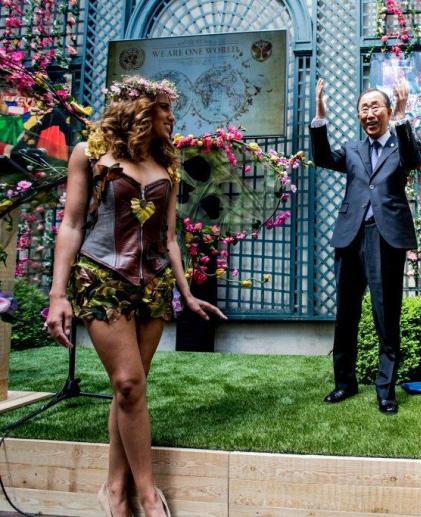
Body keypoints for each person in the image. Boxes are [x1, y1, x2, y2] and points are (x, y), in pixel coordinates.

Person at [45, 76, 225, 517]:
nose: (172, 120)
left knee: (131, 391)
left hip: (154, 286)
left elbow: (169, 238)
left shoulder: (169, 163)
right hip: (102, 277)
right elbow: (71, 225)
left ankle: (113, 488)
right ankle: (147, 493)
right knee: (128, 383)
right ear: (143, 110)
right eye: (168, 111)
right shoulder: (89, 155)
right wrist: (57, 295)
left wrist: (186, 293)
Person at [310, 78, 421, 414]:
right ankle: (344, 383)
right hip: (350, 236)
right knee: (346, 313)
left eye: (375, 106)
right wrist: (320, 117)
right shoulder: (352, 150)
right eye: (364, 108)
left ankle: (385, 390)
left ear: (388, 111)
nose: (369, 113)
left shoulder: (400, 145)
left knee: (386, 314)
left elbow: (413, 159)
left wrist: (404, 116)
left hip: (385, 237)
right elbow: (323, 158)